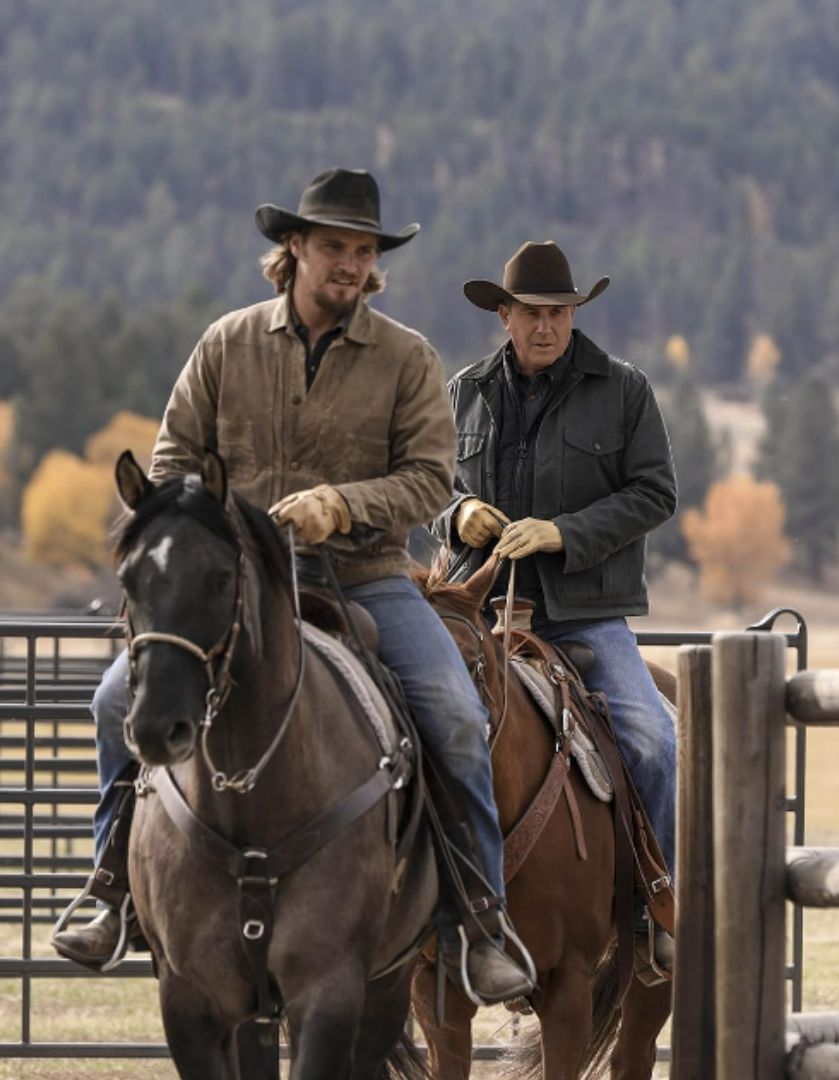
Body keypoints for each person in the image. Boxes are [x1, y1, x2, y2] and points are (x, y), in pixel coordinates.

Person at [52, 168, 532, 1003]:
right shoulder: (226, 344)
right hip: (234, 586)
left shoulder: (405, 358)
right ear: (295, 249)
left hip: (367, 575)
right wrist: (216, 526)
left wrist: (341, 506)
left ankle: (480, 918)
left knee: (454, 715)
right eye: (334, 247)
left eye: (363, 251)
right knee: (110, 701)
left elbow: (429, 479)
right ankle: (110, 887)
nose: (349, 264)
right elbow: (169, 465)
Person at [436, 239, 680, 969]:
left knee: (651, 739)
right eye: (532, 313)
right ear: (503, 315)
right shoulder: (463, 391)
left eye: (560, 313)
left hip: (582, 612)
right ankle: (407, 909)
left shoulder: (624, 388)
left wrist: (562, 533)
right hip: (472, 611)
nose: (547, 326)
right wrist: (458, 515)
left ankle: (657, 906)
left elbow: (655, 493)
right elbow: (427, 487)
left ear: (574, 315)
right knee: (393, 731)